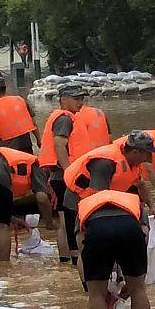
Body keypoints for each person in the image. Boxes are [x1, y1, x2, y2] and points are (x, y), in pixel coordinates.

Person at [37, 82, 111, 263]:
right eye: (76, 98)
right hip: (65, 177)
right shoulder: (65, 118)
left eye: (82, 98)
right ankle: (75, 257)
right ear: (63, 100)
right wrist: (70, 171)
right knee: (71, 219)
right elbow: (59, 145)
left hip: (58, 175)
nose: (80, 102)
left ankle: (66, 259)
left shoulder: (65, 117)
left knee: (65, 219)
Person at [61, 132, 155, 234]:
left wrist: (152, 207)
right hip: (78, 195)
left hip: (100, 194)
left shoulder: (134, 163)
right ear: (135, 152)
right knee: (72, 232)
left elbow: (141, 185)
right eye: (147, 154)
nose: (149, 158)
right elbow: (98, 196)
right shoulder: (105, 163)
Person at [76, 189, 150, 309]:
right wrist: (133, 279)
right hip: (130, 229)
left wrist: (92, 278)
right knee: (138, 290)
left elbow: (81, 244)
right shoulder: (133, 200)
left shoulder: (84, 203)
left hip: (97, 231)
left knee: (96, 294)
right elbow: (144, 233)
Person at [0, 75, 39, 154]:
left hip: (8, 148)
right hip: (26, 144)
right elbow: (33, 123)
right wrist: (38, 140)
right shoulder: (19, 100)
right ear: (5, 89)